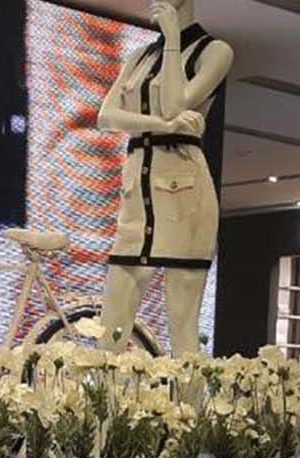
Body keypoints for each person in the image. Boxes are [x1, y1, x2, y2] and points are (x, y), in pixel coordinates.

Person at [95, 0, 233, 357]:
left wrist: (172, 38)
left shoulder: (215, 52)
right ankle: (98, 395)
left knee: (182, 328)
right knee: (110, 330)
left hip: (184, 193)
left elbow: (175, 104)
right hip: (138, 191)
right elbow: (106, 116)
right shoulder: (139, 57)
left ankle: (190, 396)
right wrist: (162, 125)